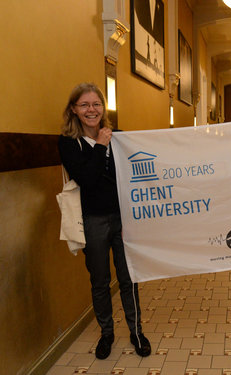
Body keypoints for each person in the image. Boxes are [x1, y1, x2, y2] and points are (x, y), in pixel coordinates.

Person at [58, 83, 151, 359]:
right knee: (99, 281)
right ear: (74, 109)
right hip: (92, 221)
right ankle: (106, 333)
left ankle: (136, 331)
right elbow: (86, 179)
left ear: (103, 107)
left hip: (123, 219)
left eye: (96, 104)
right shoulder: (68, 143)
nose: (91, 110)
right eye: (84, 105)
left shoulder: (118, 137)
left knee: (128, 277)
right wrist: (100, 145)